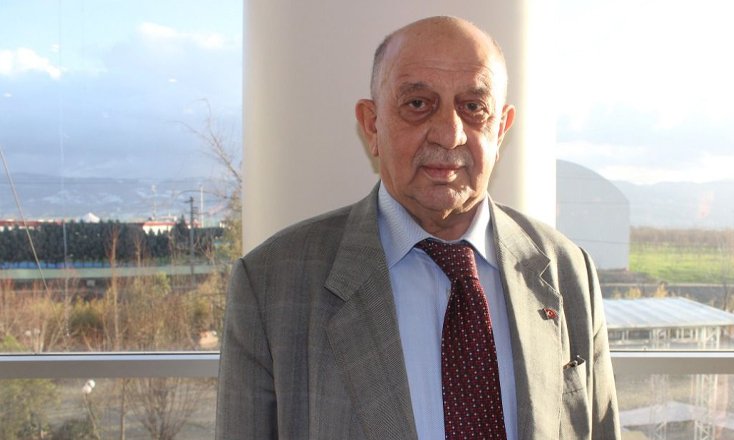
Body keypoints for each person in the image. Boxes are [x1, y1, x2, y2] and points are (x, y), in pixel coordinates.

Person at [216, 16, 620, 440]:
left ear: (500, 129)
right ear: (372, 124)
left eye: (473, 107)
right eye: (417, 104)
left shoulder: (567, 270)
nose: (449, 134)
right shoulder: (270, 285)